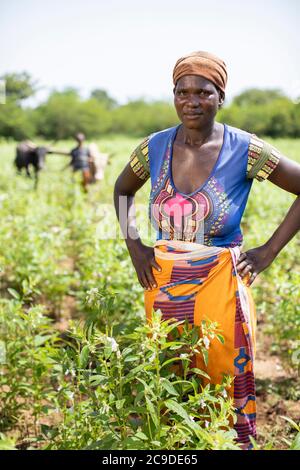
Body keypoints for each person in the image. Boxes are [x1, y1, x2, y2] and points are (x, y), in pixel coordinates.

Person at [113, 51, 300, 449]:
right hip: (162, 281)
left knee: (222, 377)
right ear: (174, 95)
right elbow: (122, 190)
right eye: (182, 91)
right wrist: (137, 248)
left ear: (221, 97)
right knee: (167, 373)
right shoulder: (155, 147)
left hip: (222, 282)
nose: (191, 100)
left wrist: (267, 251)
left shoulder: (245, 149)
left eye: (203, 91)